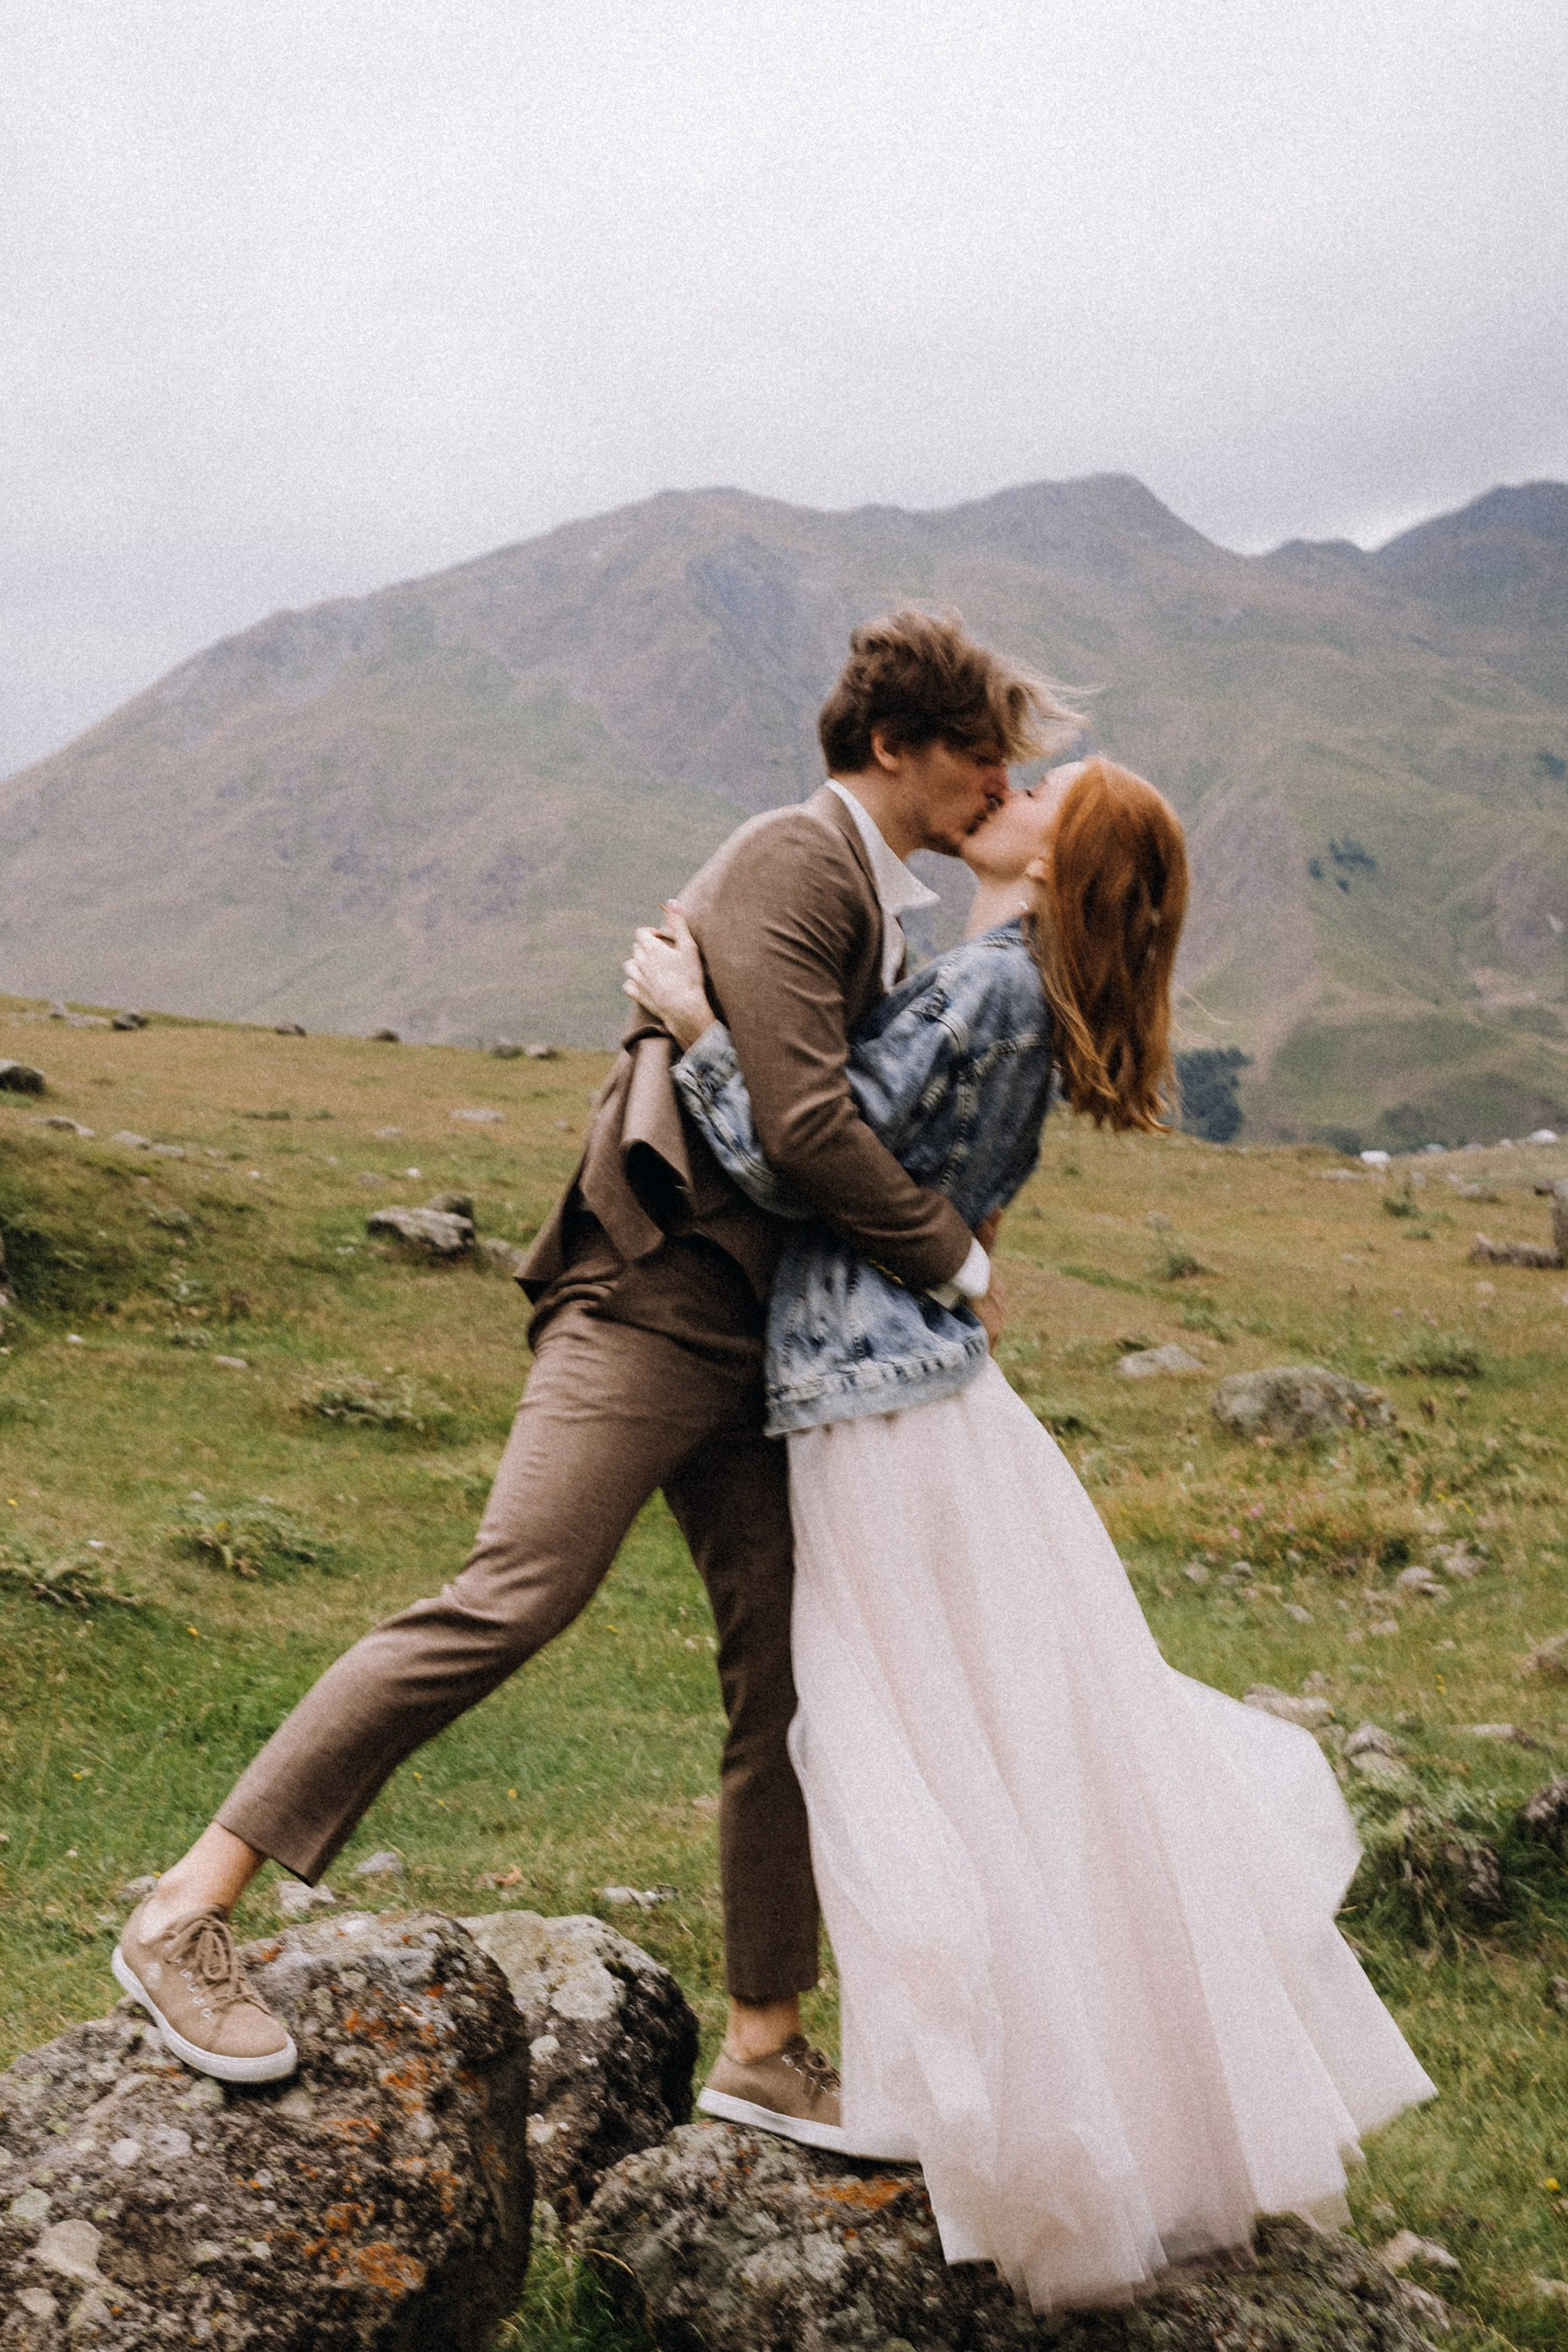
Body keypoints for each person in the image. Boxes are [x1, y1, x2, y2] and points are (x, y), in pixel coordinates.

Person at [112, 613, 1067, 2143]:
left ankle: (764, 2042)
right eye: (980, 754)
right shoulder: (795, 860)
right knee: (511, 1594)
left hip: (761, 1343)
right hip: (648, 1297)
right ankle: (183, 1909)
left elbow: (812, 1109)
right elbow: (806, 1129)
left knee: (787, 1682)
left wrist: (714, 1037)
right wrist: (955, 1259)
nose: (999, 783)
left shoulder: (883, 909)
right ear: (896, 747)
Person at [624, 757, 1436, 2312]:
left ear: (1060, 865)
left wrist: (695, 1025)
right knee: (994, 1741)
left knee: (900, 1743)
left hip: (878, 1409)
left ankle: (990, 2111)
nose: (1007, 785)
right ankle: (1046, 2099)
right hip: (911, 1395)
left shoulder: (992, 987)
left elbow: (803, 1163)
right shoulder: (993, 981)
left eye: (1045, 792)